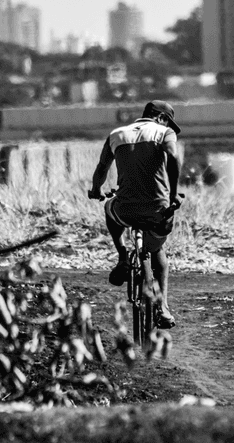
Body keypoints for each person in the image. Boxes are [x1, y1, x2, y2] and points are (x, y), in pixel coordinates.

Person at [88, 100, 182, 329]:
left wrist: (96, 190)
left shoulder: (116, 134)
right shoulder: (165, 132)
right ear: (161, 118)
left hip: (125, 210)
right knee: (158, 252)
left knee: (109, 208)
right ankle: (164, 308)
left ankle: (122, 255)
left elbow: (102, 169)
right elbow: (174, 159)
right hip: (158, 211)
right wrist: (173, 194)